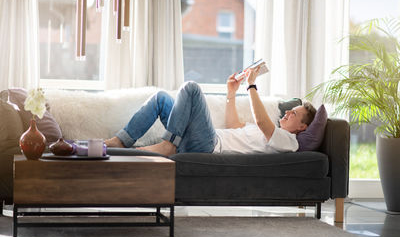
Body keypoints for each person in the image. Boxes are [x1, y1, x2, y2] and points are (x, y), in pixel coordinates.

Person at [105, 67, 316, 156]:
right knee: (161, 98)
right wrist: (231, 93)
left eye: (293, 114)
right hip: (204, 137)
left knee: (191, 88)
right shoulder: (267, 133)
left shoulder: (288, 141)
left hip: (208, 144)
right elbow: (234, 126)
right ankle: (121, 141)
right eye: (288, 111)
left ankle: (169, 145)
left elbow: (262, 122)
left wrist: (251, 84)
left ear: (302, 127)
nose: (286, 113)